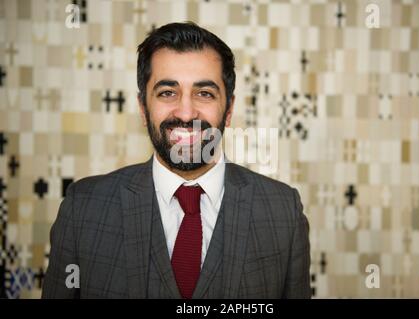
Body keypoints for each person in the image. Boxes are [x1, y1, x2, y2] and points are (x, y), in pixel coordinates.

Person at [42, 21, 310, 299]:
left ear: (229, 110)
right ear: (143, 108)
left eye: (204, 93)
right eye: (167, 92)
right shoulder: (83, 208)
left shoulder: (283, 213)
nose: (185, 113)